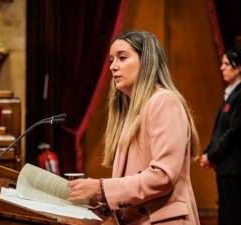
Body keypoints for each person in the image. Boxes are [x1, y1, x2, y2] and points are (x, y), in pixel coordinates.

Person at [67, 31, 200, 225]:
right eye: (111, 60)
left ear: (146, 61)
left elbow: (163, 176)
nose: (113, 67)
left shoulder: (164, 101)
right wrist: (102, 201)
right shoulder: (133, 110)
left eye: (122, 58)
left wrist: (102, 189)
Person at [200, 47, 241, 225]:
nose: (222, 68)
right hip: (226, 167)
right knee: (226, 213)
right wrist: (208, 152)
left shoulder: (240, 95)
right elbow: (219, 129)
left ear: (239, 67)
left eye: (226, 64)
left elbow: (234, 131)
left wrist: (212, 155)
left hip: (235, 168)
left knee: (233, 215)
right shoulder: (230, 94)